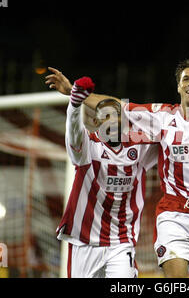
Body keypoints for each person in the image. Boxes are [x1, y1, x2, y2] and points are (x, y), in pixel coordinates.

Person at [47, 41, 189, 278]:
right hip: (173, 209)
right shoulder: (162, 117)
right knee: (175, 278)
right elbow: (117, 107)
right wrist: (74, 95)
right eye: (186, 79)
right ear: (178, 87)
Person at [45, 70, 158, 278]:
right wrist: (75, 104)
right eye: (106, 116)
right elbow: (74, 133)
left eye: (117, 115)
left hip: (121, 242)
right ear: (96, 124)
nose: (112, 120)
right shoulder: (89, 149)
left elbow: (167, 135)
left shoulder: (139, 150)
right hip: (84, 240)